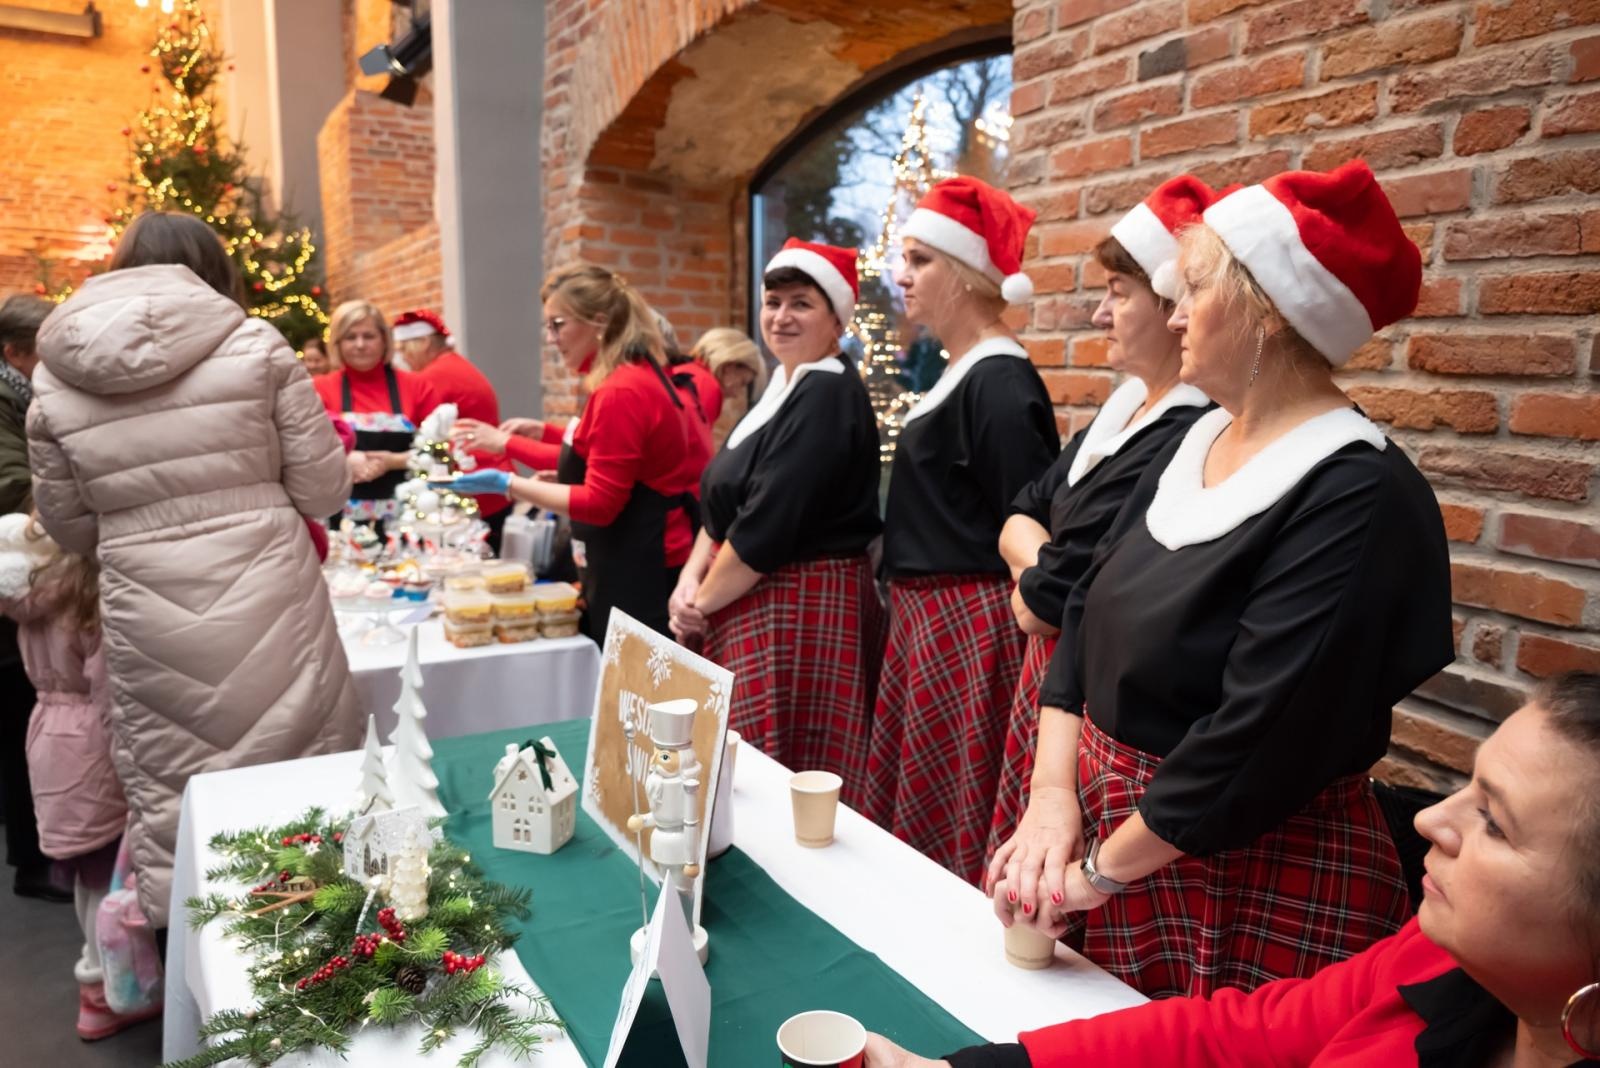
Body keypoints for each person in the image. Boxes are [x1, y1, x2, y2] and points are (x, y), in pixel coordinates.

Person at [996, 161, 1453, 998]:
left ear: (1268, 311)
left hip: (1231, 868)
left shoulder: (1359, 494)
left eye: (1194, 289)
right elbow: (1083, 619)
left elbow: (1256, 735)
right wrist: (1051, 797)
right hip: (1101, 830)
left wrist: (1098, 873)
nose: (1171, 314)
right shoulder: (1190, 442)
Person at [868, 673, 1600, 1068]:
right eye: (1464, 789)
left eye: (1494, 822)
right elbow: (1243, 1036)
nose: (1428, 820)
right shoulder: (1441, 956)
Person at [27, 210, 361, 928]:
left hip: (147, 610)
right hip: (272, 598)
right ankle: (326, 952)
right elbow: (324, 490)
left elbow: (69, 526)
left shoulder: (56, 377)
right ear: (214, 272)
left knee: (178, 785)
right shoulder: (254, 344)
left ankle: (211, 978)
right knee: (300, 776)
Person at [985, 176, 1218, 875]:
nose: (1098, 315)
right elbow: (1016, 518)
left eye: (1118, 294)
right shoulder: (1116, 418)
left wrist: (1035, 574)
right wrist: (1042, 570)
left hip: (1083, 696)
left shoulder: (1184, 430)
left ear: (1173, 303)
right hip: (1054, 682)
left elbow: (1046, 603)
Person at [862, 175, 1060, 884]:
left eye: (921, 260)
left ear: (972, 273)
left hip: (971, 625)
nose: (902, 276)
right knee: (927, 802)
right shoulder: (963, 373)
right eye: (904, 259)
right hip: (931, 619)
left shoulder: (1001, 383)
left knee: (954, 805)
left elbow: (1030, 520)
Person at [668, 239, 884, 804]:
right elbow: (722, 506)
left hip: (799, 602)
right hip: (751, 593)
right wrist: (688, 582)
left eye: (801, 303)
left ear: (837, 318)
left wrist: (699, 605)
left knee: (782, 772)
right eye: (773, 301)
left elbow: (765, 527)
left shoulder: (827, 392)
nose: (781, 316)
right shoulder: (783, 387)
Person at [443, 264, 710, 640]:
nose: (551, 338)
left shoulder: (622, 390)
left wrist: (508, 483)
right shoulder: (630, 377)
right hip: (632, 558)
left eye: (557, 324)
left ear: (598, 323)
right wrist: (537, 444)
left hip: (640, 568)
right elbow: (603, 457)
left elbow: (601, 503)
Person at [0, 513, 156, 1040]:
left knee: (81, 873)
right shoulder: (89, 599)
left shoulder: (33, 595)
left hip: (46, 731)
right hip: (92, 743)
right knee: (106, 877)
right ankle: (107, 992)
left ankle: (98, 978)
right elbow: (111, 698)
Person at [0, 294, 66, 902]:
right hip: (14, 577)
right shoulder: (10, 403)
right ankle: (34, 859)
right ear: (15, 352)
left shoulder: (19, 397)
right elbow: (13, 486)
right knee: (24, 715)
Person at [390, 309, 513, 548]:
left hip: (471, 488)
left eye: (404, 348)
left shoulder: (434, 377)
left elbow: (414, 433)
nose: (403, 358)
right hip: (490, 483)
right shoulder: (455, 366)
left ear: (424, 342)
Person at [311, 300, 441, 524]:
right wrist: (343, 459)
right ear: (337, 343)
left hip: (408, 521)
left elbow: (442, 452)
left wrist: (395, 461)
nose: (360, 345)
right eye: (351, 337)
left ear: (384, 340)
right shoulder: (319, 390)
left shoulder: (417, 387)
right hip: (340, 524)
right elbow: (305, 452)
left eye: (368, 336)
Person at [691, 327, 767, 448]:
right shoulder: (708, 387)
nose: (736, 395)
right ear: (729, 366)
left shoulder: (686, 374)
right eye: (742, 383)